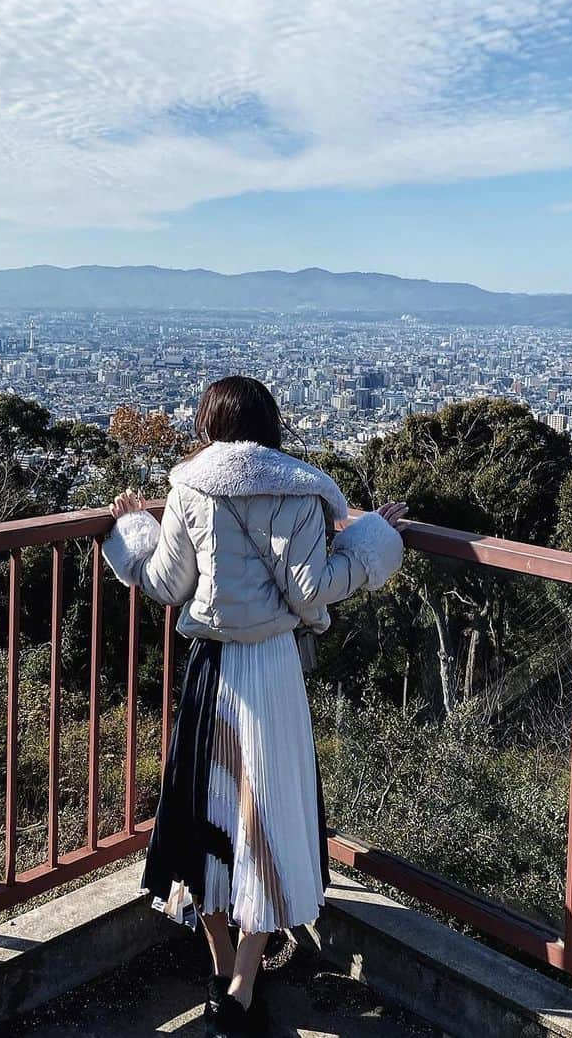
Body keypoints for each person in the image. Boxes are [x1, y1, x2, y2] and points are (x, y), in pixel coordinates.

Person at [102, 376, 407, 1036]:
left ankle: (220, 978)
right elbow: (312, 593)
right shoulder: (300, 491)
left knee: (202, 822)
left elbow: (166, 582)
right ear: (270, 424)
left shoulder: (188, 486)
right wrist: (373, 537)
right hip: (272, 672)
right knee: (263, 825)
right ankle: (241, 984)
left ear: (209, 423)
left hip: (211, 673)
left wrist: (132, 525)